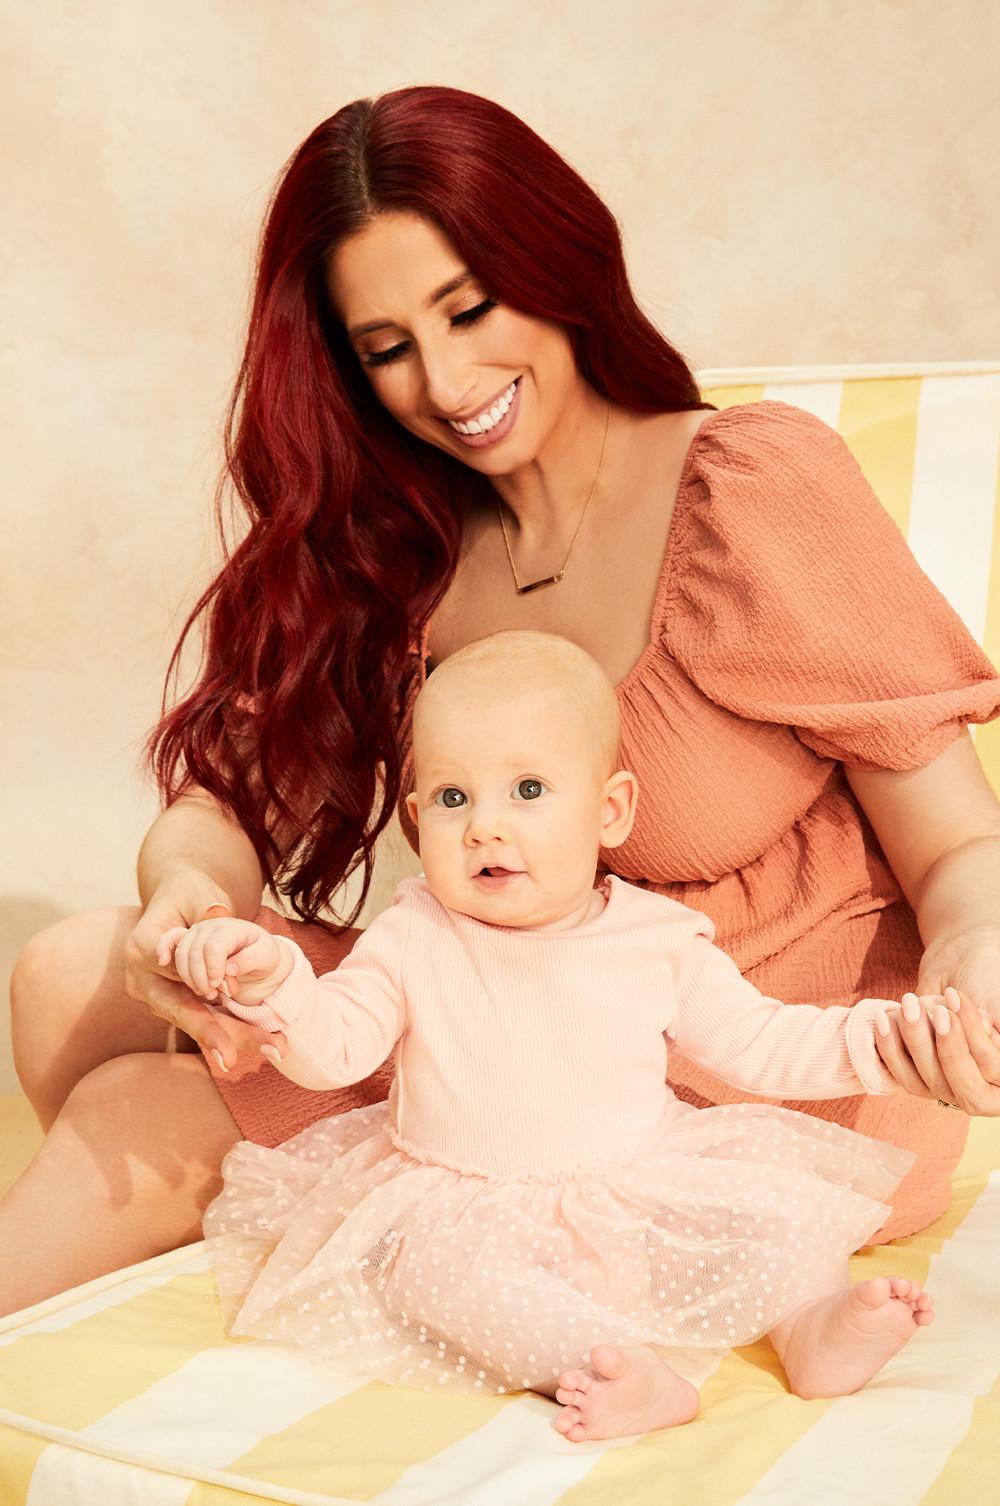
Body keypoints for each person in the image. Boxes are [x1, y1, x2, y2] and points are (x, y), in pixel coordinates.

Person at [7, 84, 1000, 1317]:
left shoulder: (747, 489)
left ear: (557, 260)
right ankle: (149, 1329)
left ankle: (300, 1270)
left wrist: (971, 946)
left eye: (469, 309)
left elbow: (958, 837)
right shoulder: (399, 550)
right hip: (488, 1023)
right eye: (385, 349)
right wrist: (189, 903)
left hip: (751, 1063)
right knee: (61, 970)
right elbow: (230, 803)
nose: (446, 378)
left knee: (132, 1114)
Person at [160, 632, 947, 1440]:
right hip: (467, 1208)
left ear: (610, 811)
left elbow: (763, 1043)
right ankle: (606, 1363)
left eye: (528, 789)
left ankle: (813, 1327)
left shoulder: (658, 939)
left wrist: (890, 1044)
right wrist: (277, 984)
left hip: (637, 1186)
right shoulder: (414, 935)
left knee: (775, 1214)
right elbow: (335, 1051)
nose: (484, 829)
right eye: (454, 799)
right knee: (436, 1281)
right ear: (414, 816)